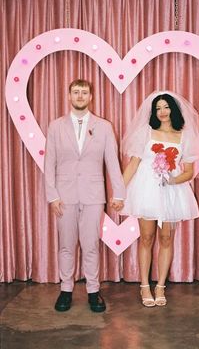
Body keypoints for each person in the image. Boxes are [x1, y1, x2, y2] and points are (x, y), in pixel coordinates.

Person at [44, 79, 125, 313]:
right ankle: (66, 290)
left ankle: (93, 291)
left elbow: (112, 161)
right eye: (76, 92)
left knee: (90, 245)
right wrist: (52, 196)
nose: (80, 96)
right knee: (66, 246)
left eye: (84, 92)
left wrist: (119, 192)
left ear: (91, 97)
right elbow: (49, 163)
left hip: (93, 196)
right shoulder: (55, 126)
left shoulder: (104, 126)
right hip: (64, 196)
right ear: (69, 96)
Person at [121, 91, 199, 307]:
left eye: (166, 107)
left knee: (166, 239)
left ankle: (160, 286)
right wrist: (118, 192)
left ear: (173, 110)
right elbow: (133, 165)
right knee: (146, 238)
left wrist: (171, 180)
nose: (162, 112)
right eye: (158, 108)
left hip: (171, 191)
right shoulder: (146, 133)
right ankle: (145, 286)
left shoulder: (184, 136)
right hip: (146, 189)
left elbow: (188, 172)